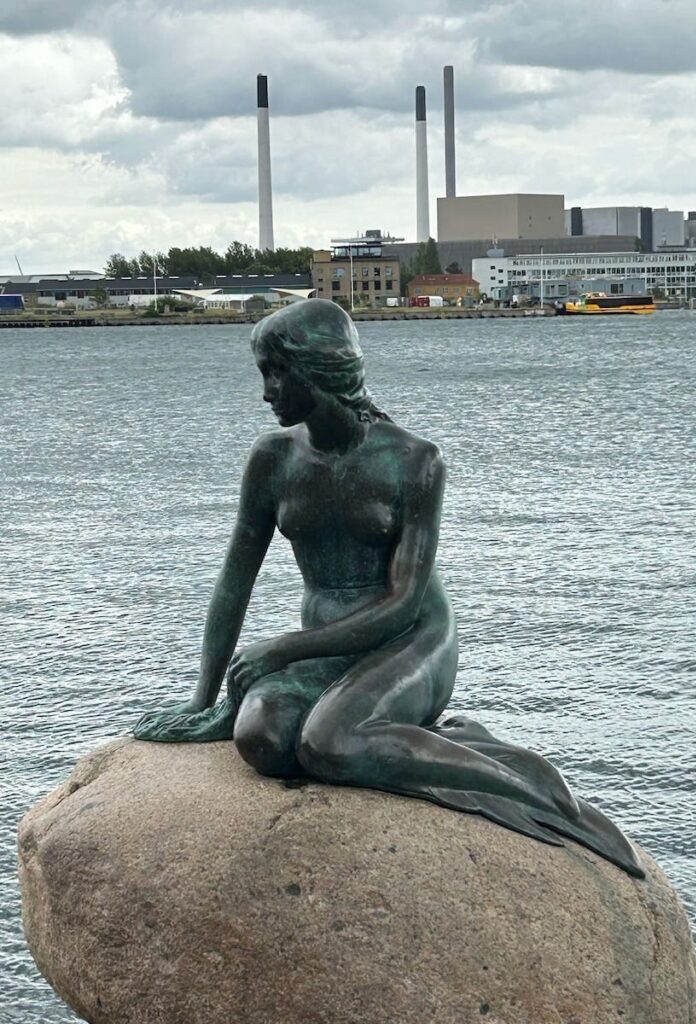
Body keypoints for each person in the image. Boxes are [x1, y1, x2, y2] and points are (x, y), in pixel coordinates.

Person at [134, 299, 643, 878]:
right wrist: (203, 700)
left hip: (412, 640)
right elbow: (235, 578)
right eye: (263, 373)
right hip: (331, 647)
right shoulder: (272, 458)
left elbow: (401, 603)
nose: (267, 391)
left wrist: (282, 650)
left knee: (330, 743)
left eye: (277, 373)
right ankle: (417, 740)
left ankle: (536, 792)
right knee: (263, 739)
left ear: (320, 370)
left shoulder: (413, 461)